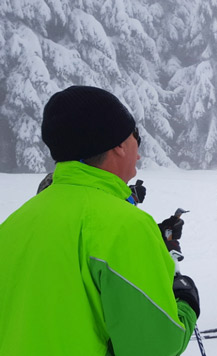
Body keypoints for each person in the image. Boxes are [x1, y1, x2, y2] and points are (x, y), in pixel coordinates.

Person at [0, 86, 199, 355]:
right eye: (134, 138)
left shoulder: (14, 224)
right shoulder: (125, 226)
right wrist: (186, 303)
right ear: (117, 145)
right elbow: (155, 346)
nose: (138, 153)